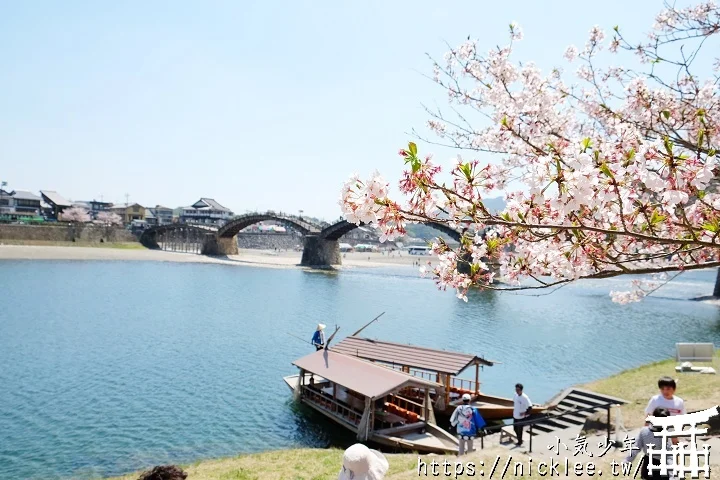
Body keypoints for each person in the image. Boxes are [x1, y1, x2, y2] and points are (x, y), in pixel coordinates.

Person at [625, 408, 672, 480]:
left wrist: (627, 461)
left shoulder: (644, 431)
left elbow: (636, 448)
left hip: (647, 465)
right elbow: (669, 457)